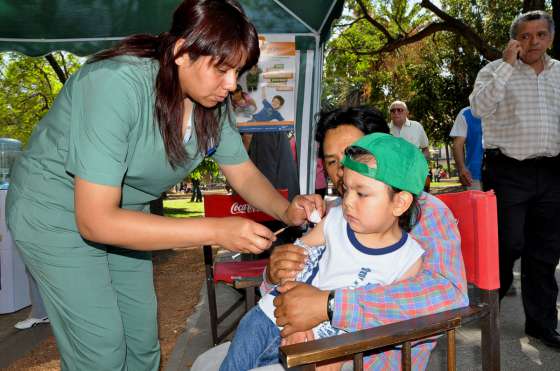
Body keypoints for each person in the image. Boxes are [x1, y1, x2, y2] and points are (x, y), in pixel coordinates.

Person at [5, 1, 321, 370]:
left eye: (237, 71)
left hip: (125, 212)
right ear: (181, 52)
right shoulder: (114, 85)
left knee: (141, 341)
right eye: (222, 69)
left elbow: (243, 172)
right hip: (55, 212)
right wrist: (216, 229)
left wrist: (287, 209)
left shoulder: (211, 105)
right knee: (102, 349)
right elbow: (95, 221)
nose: (232, 85)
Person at [264, 106, 468, 369]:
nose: (341, 170)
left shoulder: (422, 211)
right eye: (332, 161)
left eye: (351, 153)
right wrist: (274, 274)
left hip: (370, 357)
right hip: (293, 340)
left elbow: (447, 296)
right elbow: (294, 288)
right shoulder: (339, 212)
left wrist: (330, 305)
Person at [221, 133, 429, 371]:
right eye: (346, 190)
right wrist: (280, 274)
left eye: (361, 193)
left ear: (400, 203)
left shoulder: (408, 259)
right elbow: (298, 258)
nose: (348, 201)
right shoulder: (336, 220)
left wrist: (337, 352)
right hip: (266, 320)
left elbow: (383, 314)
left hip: (322, 350)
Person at [470, 10, 560, 348]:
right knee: (507, 244)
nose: (533, 41)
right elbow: (478, 108)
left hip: (552, 172)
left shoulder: (559, 74)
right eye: (525, 36)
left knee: (545, 252)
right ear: (514, 41)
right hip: (508, 171)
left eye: (540, 34)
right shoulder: (494, 71)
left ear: (550, 37)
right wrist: (506, 65)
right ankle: (487, 309)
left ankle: (541, 324)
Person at [449, 107, 483, 190]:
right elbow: (458, 144)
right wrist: (461, 168)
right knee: (478, 202)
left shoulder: (505, 108)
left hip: (505, 172)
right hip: (474, 175)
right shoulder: (466, 113)